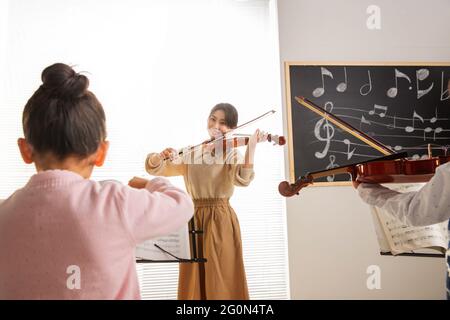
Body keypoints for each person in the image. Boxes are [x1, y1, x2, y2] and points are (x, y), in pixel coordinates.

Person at [0, 63, 194, 299]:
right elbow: (181, 204)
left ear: (25, 150)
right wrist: (150, 184)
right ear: (100, 153)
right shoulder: (114, 202)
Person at [145, 103, 267, 300]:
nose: (216, 126)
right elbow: (156, 169)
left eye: (223, 123)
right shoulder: (192, 152)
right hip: (193, 217)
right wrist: (160, 156)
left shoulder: (231, 153)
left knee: (221, 277)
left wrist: (251, 147)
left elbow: (242, 179)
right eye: (213, 119)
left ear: (232, 129)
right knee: (193, 278)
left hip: (220, 220)